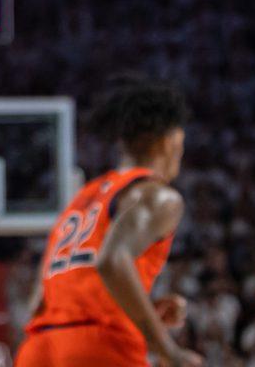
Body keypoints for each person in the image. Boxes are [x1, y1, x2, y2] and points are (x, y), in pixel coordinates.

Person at [15, 77, 202, 367]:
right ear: (169, 140)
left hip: (39, 350)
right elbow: (112, 261)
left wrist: (145, 314)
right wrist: (168, 351)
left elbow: (37, 302)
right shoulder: (157, 196)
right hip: (99, 349)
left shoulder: (81, 202)